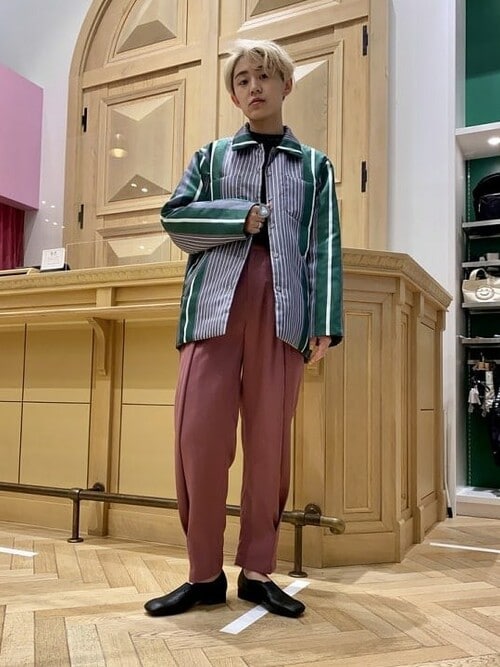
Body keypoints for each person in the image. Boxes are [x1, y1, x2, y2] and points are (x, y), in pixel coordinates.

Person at [145, 39, 343, 619]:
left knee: (269, 445)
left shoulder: (315, 167)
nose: (254, 86)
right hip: (213, 306)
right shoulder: (210, 158)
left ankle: (257, 571)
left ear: (286, 84)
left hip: (283, 313)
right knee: (199, 441)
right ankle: (203, 574)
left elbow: (324, 245)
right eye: (242, 79)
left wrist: (323, 324)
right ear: (234, 94)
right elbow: (174, 217)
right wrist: (240, 217)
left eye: (264, 75)